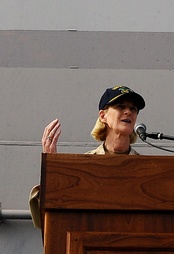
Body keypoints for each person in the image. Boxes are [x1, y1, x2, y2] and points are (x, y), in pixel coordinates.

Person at [28, 85, 145, 227]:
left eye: (133, 109)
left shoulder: (144, 167)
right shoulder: (83, 166)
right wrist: (53, 170)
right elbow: (46, 217)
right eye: (120, 106)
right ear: (103, 116)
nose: (128, 112)